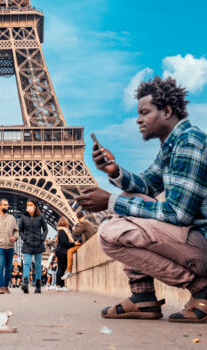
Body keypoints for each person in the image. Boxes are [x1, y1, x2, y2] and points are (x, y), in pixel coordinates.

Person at [77, 76, 207, 322]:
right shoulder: (172, 144)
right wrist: (114, 171)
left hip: (202, 246)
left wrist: (110, 202)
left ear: (166, 111)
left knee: (109, 233)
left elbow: (179, 214)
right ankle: (143, 297)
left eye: (145, 112)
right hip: (193, 242)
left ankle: (202, 289)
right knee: (128, 198)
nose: (138, 119)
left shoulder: (190, 142)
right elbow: (146, 185)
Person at [19, 199, 48, 294]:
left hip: (38, 244)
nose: (29, 206)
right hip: (27, 244)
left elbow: (45, 229)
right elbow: (20, 230)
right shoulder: (24, 217)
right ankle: (26, 283)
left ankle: (38, 285)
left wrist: (42, 238)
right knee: (27, 263)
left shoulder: (40, 216)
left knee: (38, 265)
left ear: (35, 206)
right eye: (27, 205)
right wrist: (24, 238)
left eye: (31, 205)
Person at [61, 211, 97, 280]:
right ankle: (67, 270)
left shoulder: (83, 223)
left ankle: (68, 271)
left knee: (69, 251)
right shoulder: (88, 222)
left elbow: (75, 233)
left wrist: (74, 228)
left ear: (77, 218)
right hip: (88, 242)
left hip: (86, 243)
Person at [55, 217, 80, 291]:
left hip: (60, 250)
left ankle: (61, 285)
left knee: (61, 268)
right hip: (62, 251)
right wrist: (74, 244)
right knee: (61, 268)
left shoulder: (61, 230)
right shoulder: (63, 231)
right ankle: (59, 285)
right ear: (66, 223)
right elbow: (64, 242)